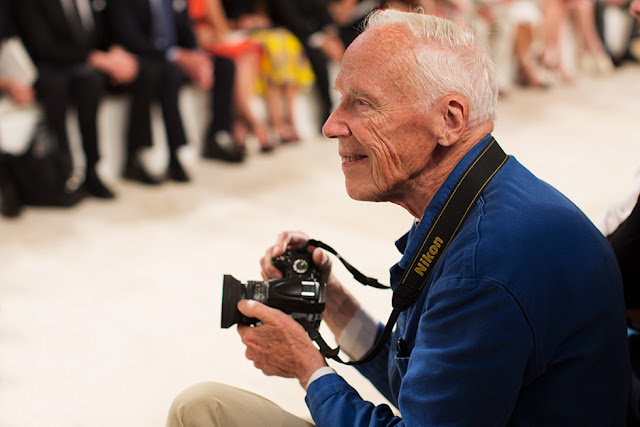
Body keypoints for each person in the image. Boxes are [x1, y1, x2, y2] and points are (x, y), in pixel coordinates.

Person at [166, 9, 630, 426]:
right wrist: (333, 302)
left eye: (362, 103)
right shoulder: (489, 200)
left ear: (449, 120)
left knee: (200, 410)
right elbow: (429, 390)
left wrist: (308, 367)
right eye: (340, 99)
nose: (331, 126)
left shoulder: (484, 267)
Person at [12, 0, 164, 197]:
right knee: (85, 82)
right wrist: (94, 58)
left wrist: (115, 51)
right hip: (57, 65)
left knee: (147, 73)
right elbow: (44, 47)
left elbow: (104, 32)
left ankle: (135, 156)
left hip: (91, 63)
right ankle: (68, 165)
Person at [108, 0, 244, 166]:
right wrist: (176, 55)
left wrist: (196, 57)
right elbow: (131, 40)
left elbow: (186, 31)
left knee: (225, 65)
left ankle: (218, 135)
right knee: (168, 73)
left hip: (177, 56)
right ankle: (174, 149)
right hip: (148, 57)